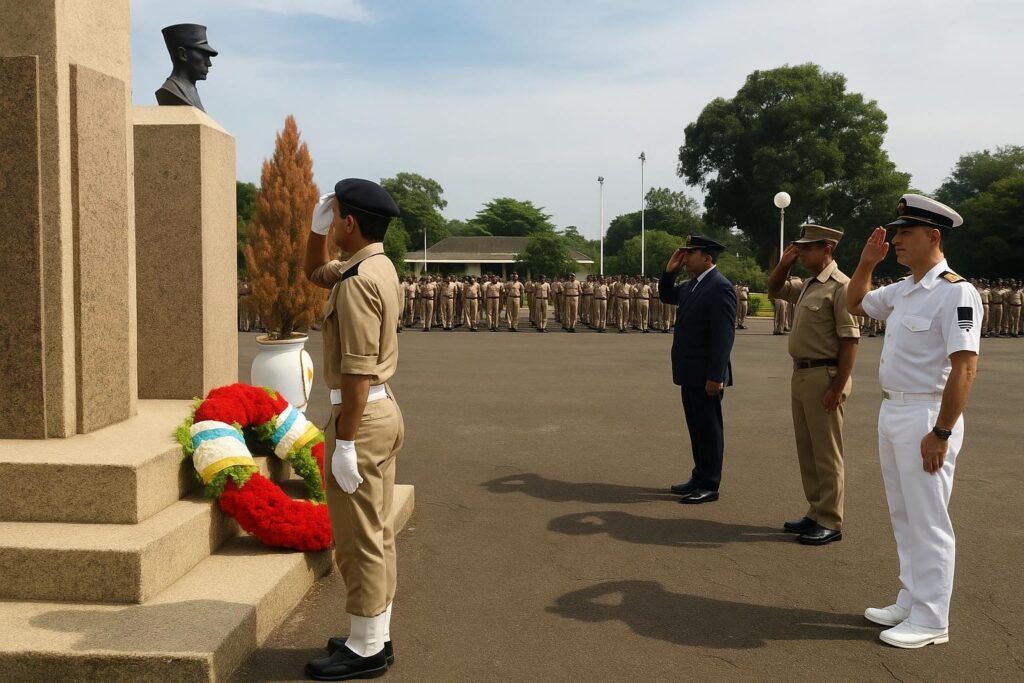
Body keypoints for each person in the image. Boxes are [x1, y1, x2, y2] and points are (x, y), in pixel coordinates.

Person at [847, 193, 981, 649]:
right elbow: (855, 302)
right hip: (893, 410)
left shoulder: (955, 291)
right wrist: (867, 262)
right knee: (903, 513)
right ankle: (911, 597)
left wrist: (941, 431)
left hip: (926, 414)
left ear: (933, 236)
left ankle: (932, 618)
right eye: (897, 232)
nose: (897, 240)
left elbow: (964, 366)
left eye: (905, 232)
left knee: (928, 519)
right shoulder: (904, 289)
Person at [303, 178, 405, 679]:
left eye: (335, 214)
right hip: (379, 415)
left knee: (357, 539)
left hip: (360, 418)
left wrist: (344, 441)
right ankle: (374, 634)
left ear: (350, 223)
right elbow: (316, 272)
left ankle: (366, 649)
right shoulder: (375, 265)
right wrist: (314, 229)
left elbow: (359, 368)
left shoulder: (360, 279)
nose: (331, 220)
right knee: (378, 533)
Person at [767, 225, 860, 546]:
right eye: (800, 247)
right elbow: (774, 289)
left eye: (807, 248)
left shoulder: (841, 287)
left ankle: (831, 519)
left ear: (827, 249)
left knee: (827, 452)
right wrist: (784, 263)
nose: (802, 252)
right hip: (802, 374)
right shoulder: (808, 284)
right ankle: (815, 511)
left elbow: (850, 342)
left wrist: (839, 386)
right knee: (807, 449)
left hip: (825, 376)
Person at [660, 235, 737, 504]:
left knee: (709, 429)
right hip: (689, 371)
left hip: (707, 375)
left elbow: (723, 337)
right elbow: (667, 295)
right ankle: (699, 475)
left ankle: (710, 484)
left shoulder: (720, 287)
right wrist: (669, 272)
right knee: (696, 428)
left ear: (707, 258)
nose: (685, 256)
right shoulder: (693, 285)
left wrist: (716, 376)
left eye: (690, 253)